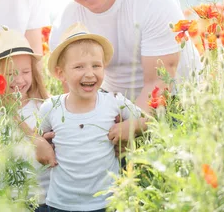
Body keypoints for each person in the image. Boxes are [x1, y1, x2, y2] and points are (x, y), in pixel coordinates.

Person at [46, 0, 202, 114]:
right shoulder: (65, 23)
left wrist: (131, 126)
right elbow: (74, 95)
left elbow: (158, 81)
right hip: (114, 102)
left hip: (180, 99)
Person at [34, 23, 147, 212]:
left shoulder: (114, 101)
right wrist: (38, 142)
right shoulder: (51, 107)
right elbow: (38, 137)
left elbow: (149, 120)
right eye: (79, 66)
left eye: (96, 65)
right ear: (61, 73)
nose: (90, 73)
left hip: (107, 203)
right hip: (61, 204)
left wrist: (133, 126)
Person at [0, 28, 51, 211]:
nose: (19, 79)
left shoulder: (44, 106)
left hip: (47, 197)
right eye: (11, 74)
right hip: (10, 201)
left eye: (25, 71)